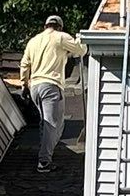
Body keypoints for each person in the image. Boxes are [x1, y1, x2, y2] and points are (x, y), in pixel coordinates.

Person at [17, 13, 85, 172]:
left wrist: (24, 85)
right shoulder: (60, 37)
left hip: (35, 87)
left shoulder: (33, 41)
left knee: (45, 123)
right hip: (51, 86)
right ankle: (44, 161)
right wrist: (81, 40)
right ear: (59, 27)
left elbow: (24, 64)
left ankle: (45, 153)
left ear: (45, 26)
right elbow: (80, 50)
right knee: (53, 124)